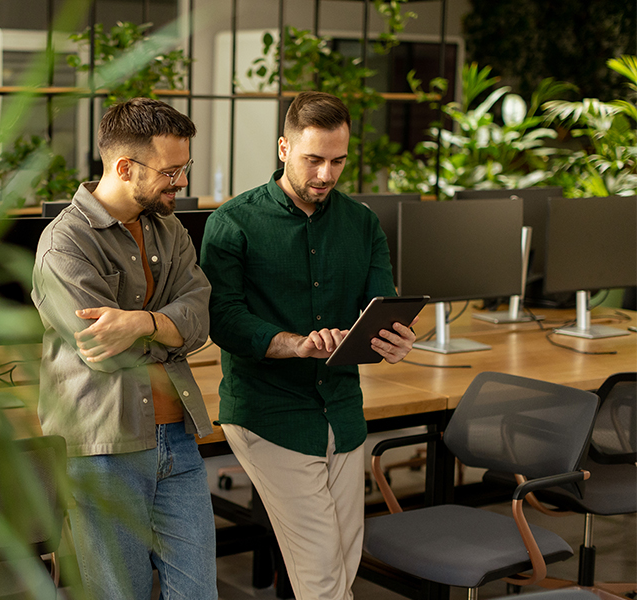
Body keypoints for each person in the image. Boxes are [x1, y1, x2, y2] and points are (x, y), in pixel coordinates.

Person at [199, 90, 417, 600]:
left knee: (344, 560)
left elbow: (380, 303)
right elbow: (223, 321)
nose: (325, 174)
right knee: (320, 574)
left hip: (341, 412)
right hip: (267, 414)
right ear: (283, 147)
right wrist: (296, 345)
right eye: (313, 159)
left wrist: (394, 338)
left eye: (337, 161)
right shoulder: (232, 223)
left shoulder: (362, 223)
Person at [31, 97, 217, 600]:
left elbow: (201, 317)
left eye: (185, 167)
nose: (181, 182)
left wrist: (141, 322)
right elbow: (104, 351)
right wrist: (167, 331)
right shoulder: (64, 244)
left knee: (199, 593)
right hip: (102, 447)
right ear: (125, 167)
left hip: (178, 437)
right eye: (171, 171)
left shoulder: (170, 228)